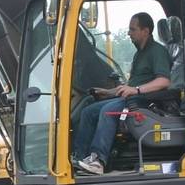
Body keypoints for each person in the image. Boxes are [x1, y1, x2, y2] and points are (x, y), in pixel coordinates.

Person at [72, 11, 173, 175]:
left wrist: (136, 90)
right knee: (89, 111)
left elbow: (164, 81)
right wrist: (109, 92)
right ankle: (79, 157)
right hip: (133, 97)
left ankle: (98, 160)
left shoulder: (157, 51)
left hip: (145, 101)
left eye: (133, 29)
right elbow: (131, 85)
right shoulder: (140, 53)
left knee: (108, 111)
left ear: (145, 31)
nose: (129, 33)